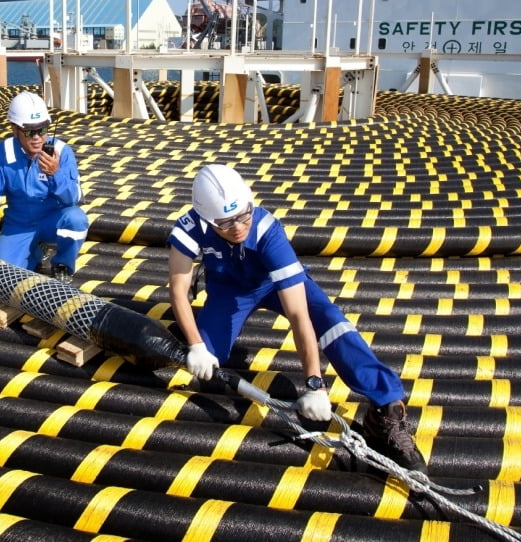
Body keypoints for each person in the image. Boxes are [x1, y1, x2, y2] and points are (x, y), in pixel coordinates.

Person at [167, 164, 427, 472]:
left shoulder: (266, 231)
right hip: (229, 289)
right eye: (225, 223)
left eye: (243, 216)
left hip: (273, 282)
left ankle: (386, 406)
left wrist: (315, 385)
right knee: (206, 360)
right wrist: (196, 344)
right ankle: (208, 276)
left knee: (331, 323)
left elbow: (298, 314)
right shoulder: (187, 228)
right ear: (207, 219)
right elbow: (178, 290)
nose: (238, 227)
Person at [0, 91, 88, 282]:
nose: (37, 137)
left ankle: (62, 263)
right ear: (14, 129)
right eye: (29, 131)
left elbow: (73, 198)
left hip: (51, 220)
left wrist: (56, 174)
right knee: (3, 278)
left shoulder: (62, 152)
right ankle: (37, 250)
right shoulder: (2, 153)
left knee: (76, 219)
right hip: (19, 224)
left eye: (42, 130)